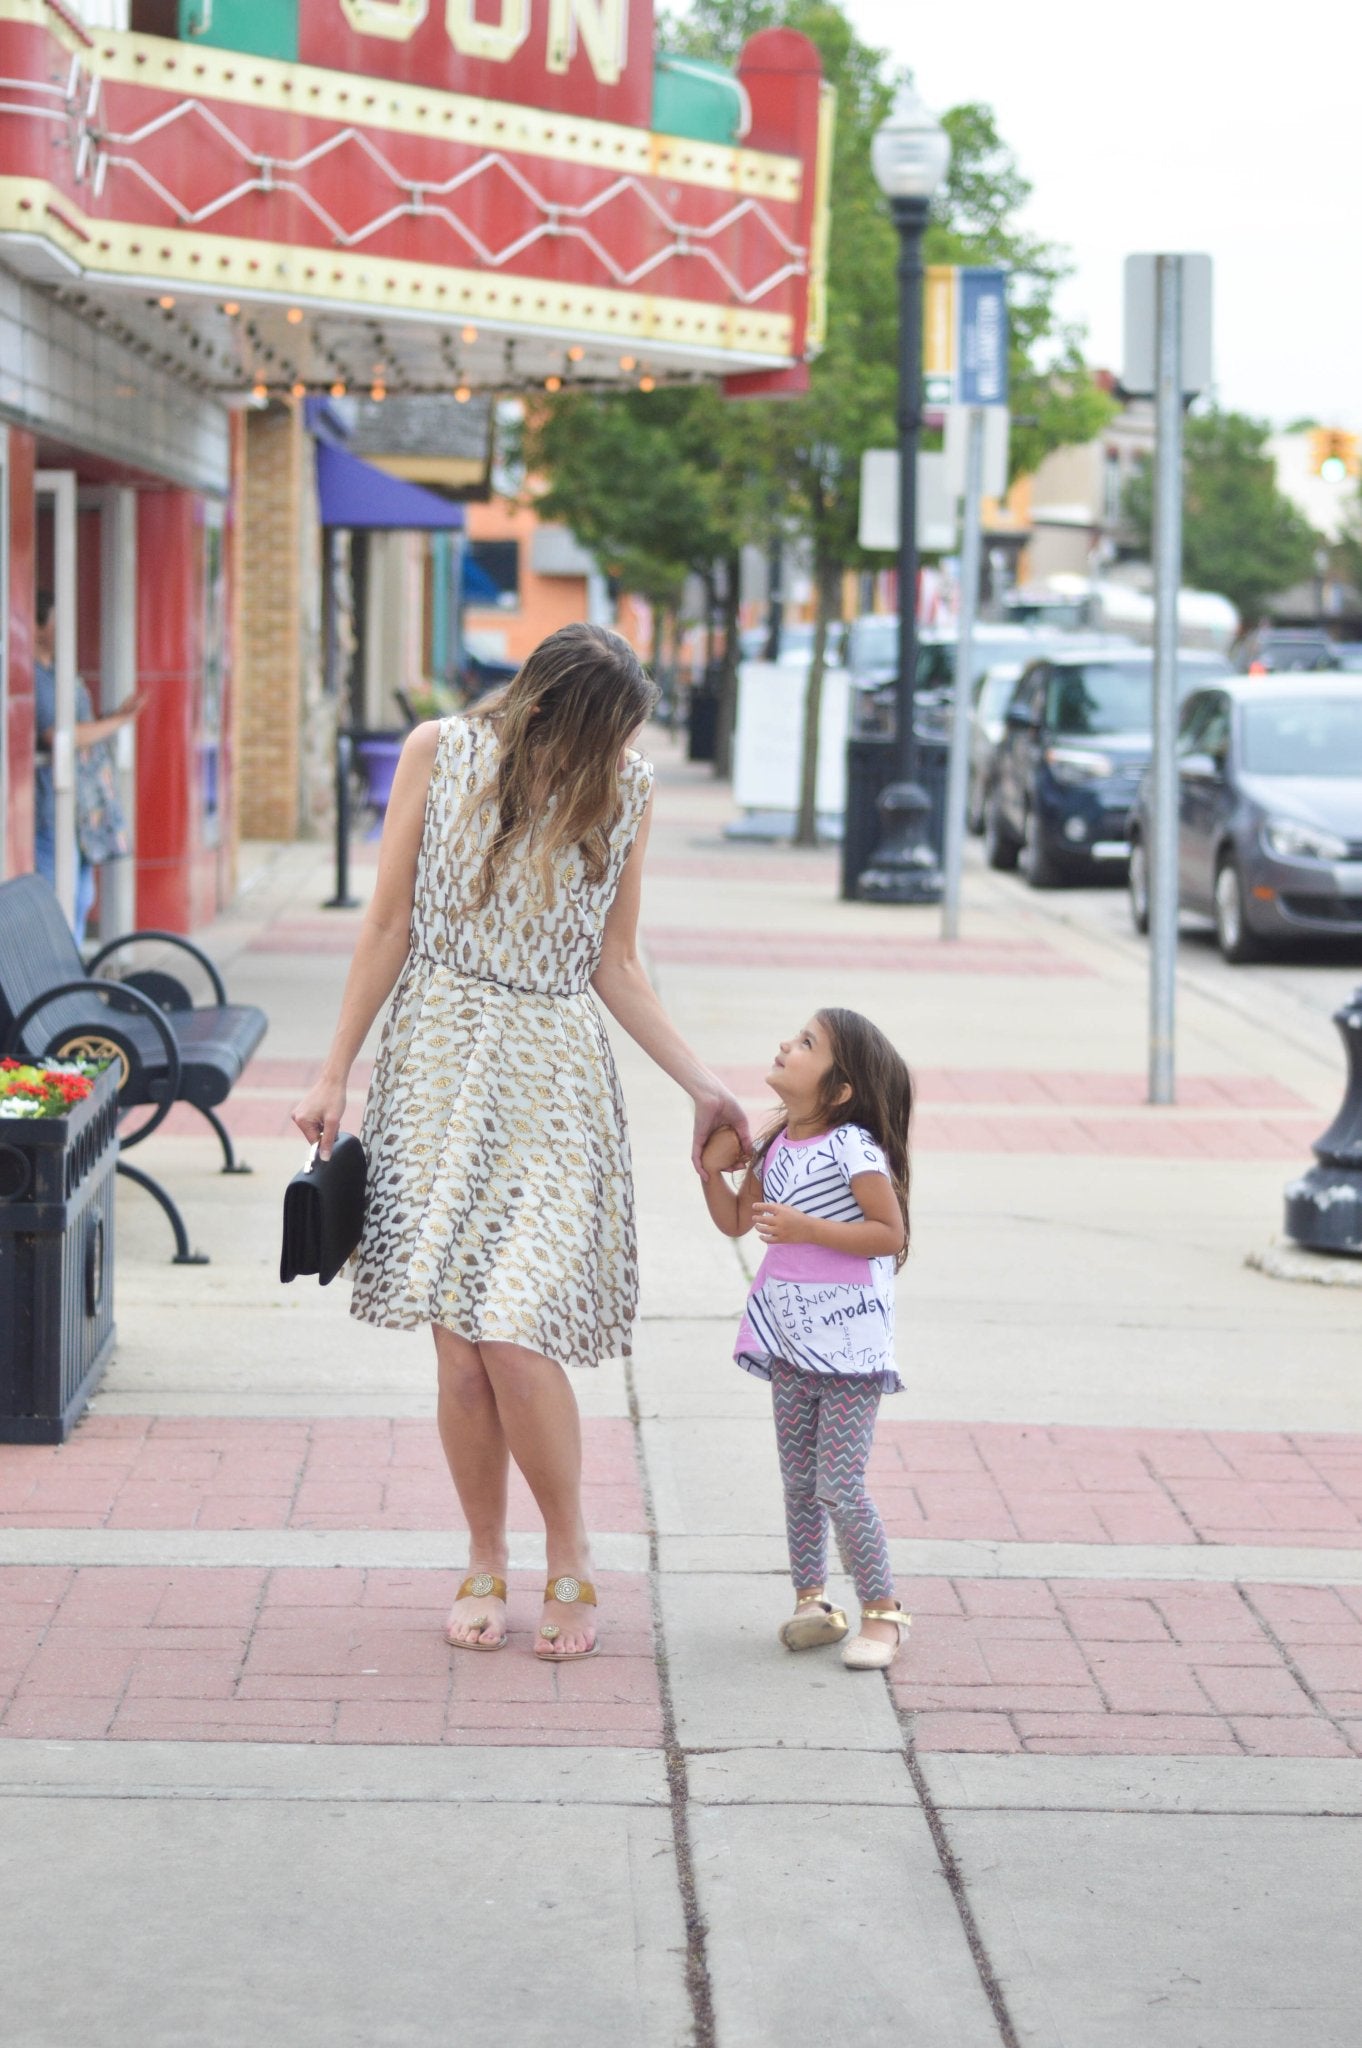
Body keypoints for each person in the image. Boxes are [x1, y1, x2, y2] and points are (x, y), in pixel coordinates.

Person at [292, 624, 750, 1661]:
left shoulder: (626, 788)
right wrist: (332, 1071)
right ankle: (485, 1550)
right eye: (598, 736)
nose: (609, 759)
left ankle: (572, 1544)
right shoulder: (437, 753)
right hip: (436, 1067)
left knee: (512, 1326)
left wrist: (705, 1081)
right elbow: (386, 923)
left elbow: (618, 961)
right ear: (544, 710)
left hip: (552, 1080)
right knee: (459, 1354)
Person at [699, 1008, 915, 1672]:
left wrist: (807, 1228)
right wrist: (713, 1174)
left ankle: (883, 1613)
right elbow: (738, 1220)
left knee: (839, 1486)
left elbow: (889, 1233)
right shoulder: (777, 1148)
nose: (785, 1045)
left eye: (806, 1043)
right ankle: (812, 1602)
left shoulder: (851, 1149)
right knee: (799, 1483)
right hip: (790, 1343)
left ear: (840, 1089)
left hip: (847, 1348)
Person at [32, 589, 142, 943]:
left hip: (82, 808)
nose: (64, 628)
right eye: (55, 621)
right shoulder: (32, 676)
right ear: (37, 627)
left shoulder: (61, 671)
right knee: (57, 899)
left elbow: (83, 728)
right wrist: (116, 725)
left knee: (82, 896)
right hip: (52, 805)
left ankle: (73, 974)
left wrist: (114, 717)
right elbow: (57, 735)